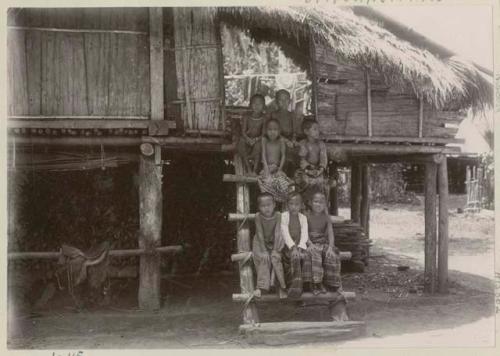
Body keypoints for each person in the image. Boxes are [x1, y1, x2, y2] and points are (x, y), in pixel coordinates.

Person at [305, 191, 342, 295]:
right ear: (310, 203)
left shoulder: (326, 217)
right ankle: (316, 283)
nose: (318, 204)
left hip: (322, 242)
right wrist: (309, 244)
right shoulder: (306, 216)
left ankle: (332, 283)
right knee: (314, 254)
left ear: (325, 204)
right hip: (310, 242)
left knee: (332, 255)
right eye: (316, 201)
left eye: (321, 202)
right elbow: (304, 233)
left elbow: (330, 233)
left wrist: (330, 246)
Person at [252, 192, 287, 299]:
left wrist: (276, 249)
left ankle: (281, 286)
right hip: (260, 241)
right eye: (263, 206)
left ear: (274, 205)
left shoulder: (278, 215)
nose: (266, 208)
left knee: (276, 258)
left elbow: (277, 232)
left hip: (275, 241)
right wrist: (263, 250)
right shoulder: (258, 216)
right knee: (263, 258)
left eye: (269, 205)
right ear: (259, 207)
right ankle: (261, 287)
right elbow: (260, 233)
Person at [280, 192, 313, 298]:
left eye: (297, 204)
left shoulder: (303, 218)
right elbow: (285, 233)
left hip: (300, 246)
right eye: (291, 204)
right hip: (287, 247)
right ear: (287, 205)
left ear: (301, 205)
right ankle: (295, 286)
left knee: (307, 255)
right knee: (295, 257)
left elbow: (304, 234)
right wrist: (293, 248)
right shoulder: (283, 216)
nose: (294, 207)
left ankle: (306, 285)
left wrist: (299, 248)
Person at [257, 118, 293, 204]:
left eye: (275, 129)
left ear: (279, 131)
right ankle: (271, 203)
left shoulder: (281, 140)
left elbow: (283, 155)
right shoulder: (264, 140)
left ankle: (281, 201)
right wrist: (266, 169)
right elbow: (263, 154)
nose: (272, 132)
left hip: (277, 169)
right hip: (267, 168)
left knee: (284, 184)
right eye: (270, 129)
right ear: (266, 130)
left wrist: (280, 169)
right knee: (267, 182)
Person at [294, 119, 329, 202]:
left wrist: (320, 170)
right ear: (306, 131)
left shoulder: (321, 144)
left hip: (318, 170)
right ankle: (304, 204)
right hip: (305, 170)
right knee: (305, 181)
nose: (318, 131)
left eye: (318, 129)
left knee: (321, 183)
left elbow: (323, 159)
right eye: (315, 129)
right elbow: (302, 160)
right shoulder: (303, 143)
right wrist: (308, 170)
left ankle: (321, 205)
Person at [268, 89, 300, 174]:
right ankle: (282, 173)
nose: (284, 102)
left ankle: (294, 174)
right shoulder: (273, 115)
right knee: (285, 149)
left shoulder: (292, 115)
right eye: (281, 100)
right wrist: (285, 140)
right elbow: (273, 131)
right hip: (276, 139)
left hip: (289, 139)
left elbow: (294, 131)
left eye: (286, 99)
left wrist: (293, 139)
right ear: (276, 102)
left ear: (289, 101)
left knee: (298, 149)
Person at [236, 94, 266, 174]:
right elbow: (243, 132)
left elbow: (263, 133)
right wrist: (248, 139)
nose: (257, 106)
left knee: (259, 145)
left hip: (257, 140)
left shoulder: (264, 118)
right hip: (247, 139)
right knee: (241, 142)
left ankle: (254, 170)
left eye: (260, 104)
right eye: (254, 103)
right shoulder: (246, 117)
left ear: (263, 105)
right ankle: (248, 168)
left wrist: (256, 139)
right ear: (250, 105)